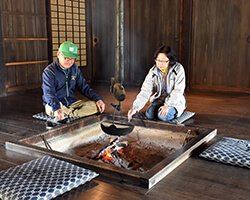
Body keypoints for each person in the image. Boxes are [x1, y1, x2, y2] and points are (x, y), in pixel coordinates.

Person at [42, 41, 105, 121]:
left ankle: (68, 114)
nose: (69, 61)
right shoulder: (49, 72)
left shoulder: (75, 69)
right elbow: (49, 94)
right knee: (51, 109)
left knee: (96, 106)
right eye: (66, 58)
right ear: (58, 54)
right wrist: (57, 108)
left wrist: (98, 99)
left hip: (72, 102)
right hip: (57, 103)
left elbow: (84, 87)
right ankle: (69, 114)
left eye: (72, 59)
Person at [127, 45, 186, 122]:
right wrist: (135, 108)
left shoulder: (178, 69)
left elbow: (178, 91)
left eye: (164, 61)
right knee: (149, 115)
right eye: (158, 60)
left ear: (170, 60)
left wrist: (168, 105)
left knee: (163, 116)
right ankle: (161, 110)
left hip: (174, 102)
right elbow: (145, 91)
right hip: (160, 100)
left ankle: (174, 110)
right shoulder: (153, 71)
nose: (160, 64)